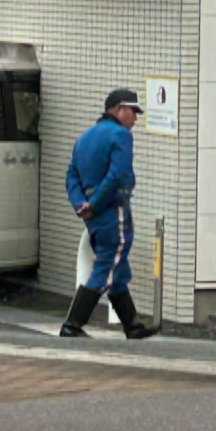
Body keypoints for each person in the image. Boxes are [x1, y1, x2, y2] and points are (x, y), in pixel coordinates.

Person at [61, 88, 159, 339]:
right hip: (113, 209)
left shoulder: (85, 137)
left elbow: (71, 174)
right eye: (133, 111)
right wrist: (96, 203)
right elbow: (117, 174)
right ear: (118, 109)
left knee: (118, 267)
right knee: (108, 265)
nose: (135, 118)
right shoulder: (120, 135)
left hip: (92, 215)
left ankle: (132, 325)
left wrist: (81, 203)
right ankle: (73, 324)